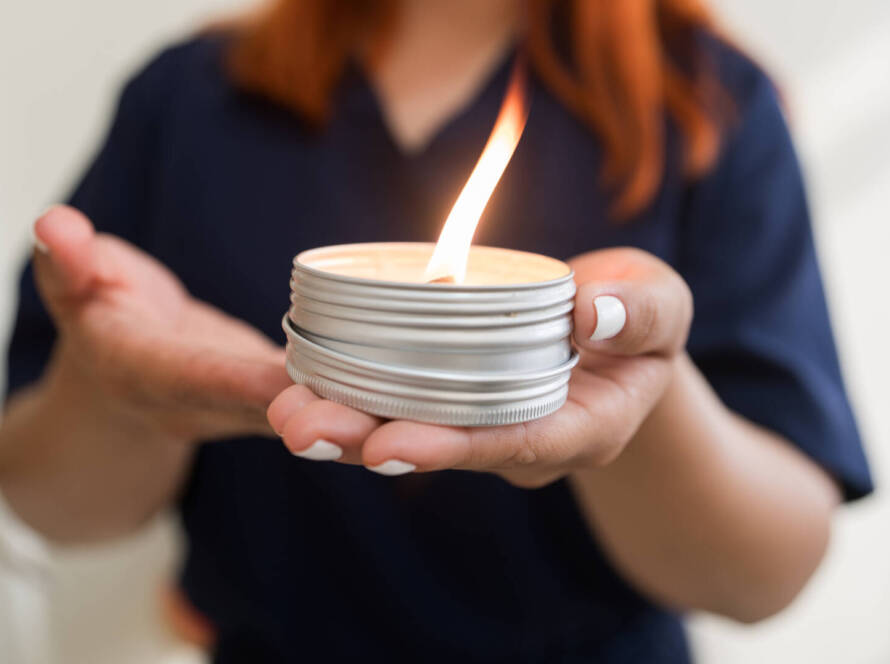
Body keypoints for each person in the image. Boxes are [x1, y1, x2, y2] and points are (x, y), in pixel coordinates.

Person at [0, 0, 873, 661]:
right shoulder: (189, 100)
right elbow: (48, 503)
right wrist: (118, 392)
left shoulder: (707, 105)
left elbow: (763, 576)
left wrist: (641, 392)